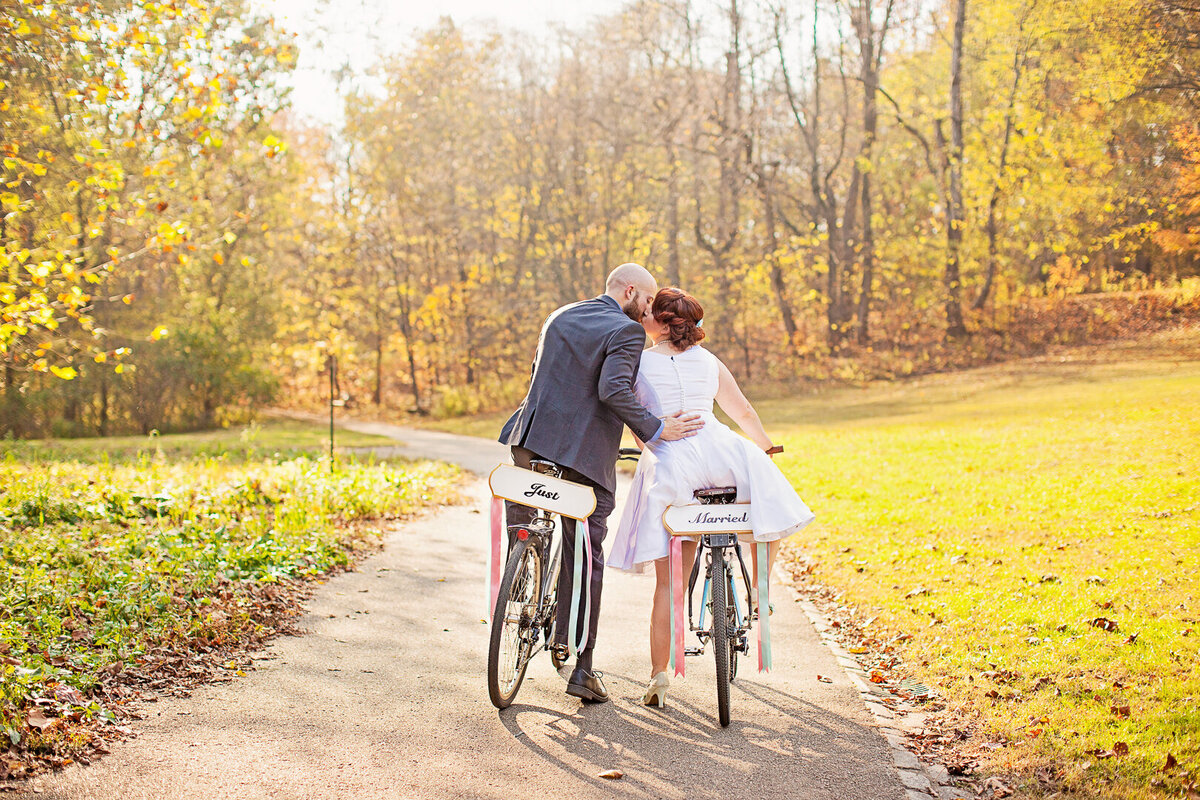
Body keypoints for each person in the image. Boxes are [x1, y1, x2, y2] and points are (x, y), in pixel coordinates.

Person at [498, 263, 704, 703]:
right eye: (647, 301)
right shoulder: (625, 332)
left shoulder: (561, 314)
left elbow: (542, 374)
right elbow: (613, 390)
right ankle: (582, 667)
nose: (647, 312)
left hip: (528, 441)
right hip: (583, 458)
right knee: (585, 552)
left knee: (527, 516)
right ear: (630, 291)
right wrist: (655, 428)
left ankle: (522, 574)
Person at [606, 287, 815, 708]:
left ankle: (659, 675)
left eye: (648, 314)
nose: (642, 318)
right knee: (767, 502)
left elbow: (634, 420)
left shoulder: (639, 362)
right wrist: (766, 445)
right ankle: (759, 589)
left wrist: (652, 440)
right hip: (723, 454)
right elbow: (743, 413)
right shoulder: (710, 362)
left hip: (673, 463)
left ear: (661, 324)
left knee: (669, 584)